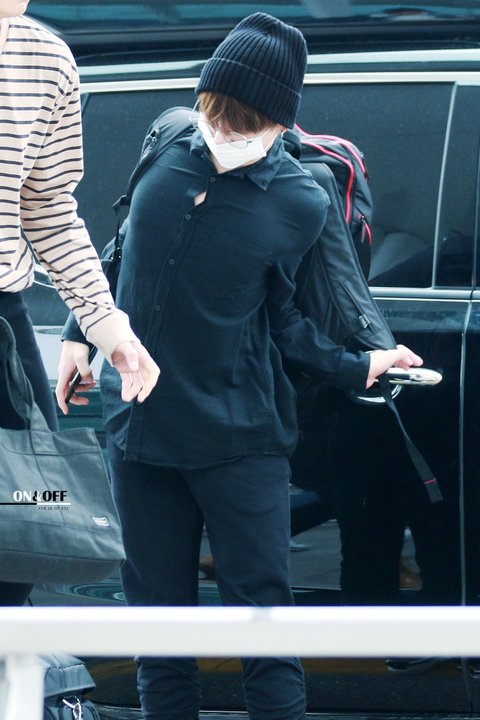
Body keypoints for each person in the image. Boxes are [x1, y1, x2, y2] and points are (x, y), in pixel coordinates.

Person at [59, 12, 422, 719]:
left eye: (242, 126)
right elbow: (121, 246)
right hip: (140, 437)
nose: (222, 135)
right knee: (158, 635)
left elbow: (297, 317)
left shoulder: (301, 198)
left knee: (263, 629)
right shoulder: (168, 139)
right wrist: (81, 329)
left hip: (239, 441)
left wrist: (362, 362)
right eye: (215, 117)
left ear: (278, 124)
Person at [0, 0, 159, 607]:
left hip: (4, 317)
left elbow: (47, 208)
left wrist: (106, 325)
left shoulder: (45, 58)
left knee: (28, 520)